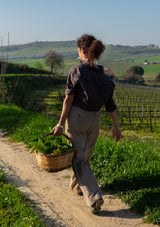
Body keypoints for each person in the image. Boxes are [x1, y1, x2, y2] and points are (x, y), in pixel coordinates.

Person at [52, 34, 121, 214]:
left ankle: (94, 196)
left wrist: (60, 124)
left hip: (78, 117)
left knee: (79, 158)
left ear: (82, 51)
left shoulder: (77, 71)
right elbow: (110, 105)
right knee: (85, 156)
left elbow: (68, 99)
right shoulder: (106, 79)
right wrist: (116, 126)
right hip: (95, 119)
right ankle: (77, 187)